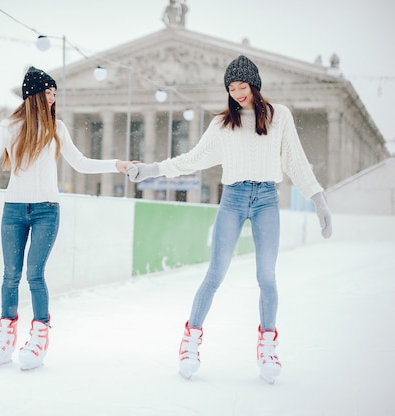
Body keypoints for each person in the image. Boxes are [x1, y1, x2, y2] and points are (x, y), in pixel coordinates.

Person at [126, 55, 332, 384]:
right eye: (232, 88)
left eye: (242, 86)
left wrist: (318, 198)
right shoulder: (222, 125)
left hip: (267, 198)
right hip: (233, 199)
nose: (237, 93)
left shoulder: (280, 117)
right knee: (214, 275)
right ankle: (190, 340)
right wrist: (151, 169)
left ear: (255, 85)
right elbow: (190, 160)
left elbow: (296, 162)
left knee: (267, 277)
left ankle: (267, 345)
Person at [0, 66, 129, 371]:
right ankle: (6, 335)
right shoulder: (9, 127)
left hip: (46, 210)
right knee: (10, 274)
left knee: (34, 273)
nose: (54, 98)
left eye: (55, 93)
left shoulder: (57, 128)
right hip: (14, 209)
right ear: (33, 95)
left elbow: (80, 163)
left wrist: (116, 164)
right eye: (49, 92)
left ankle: (40, 334)